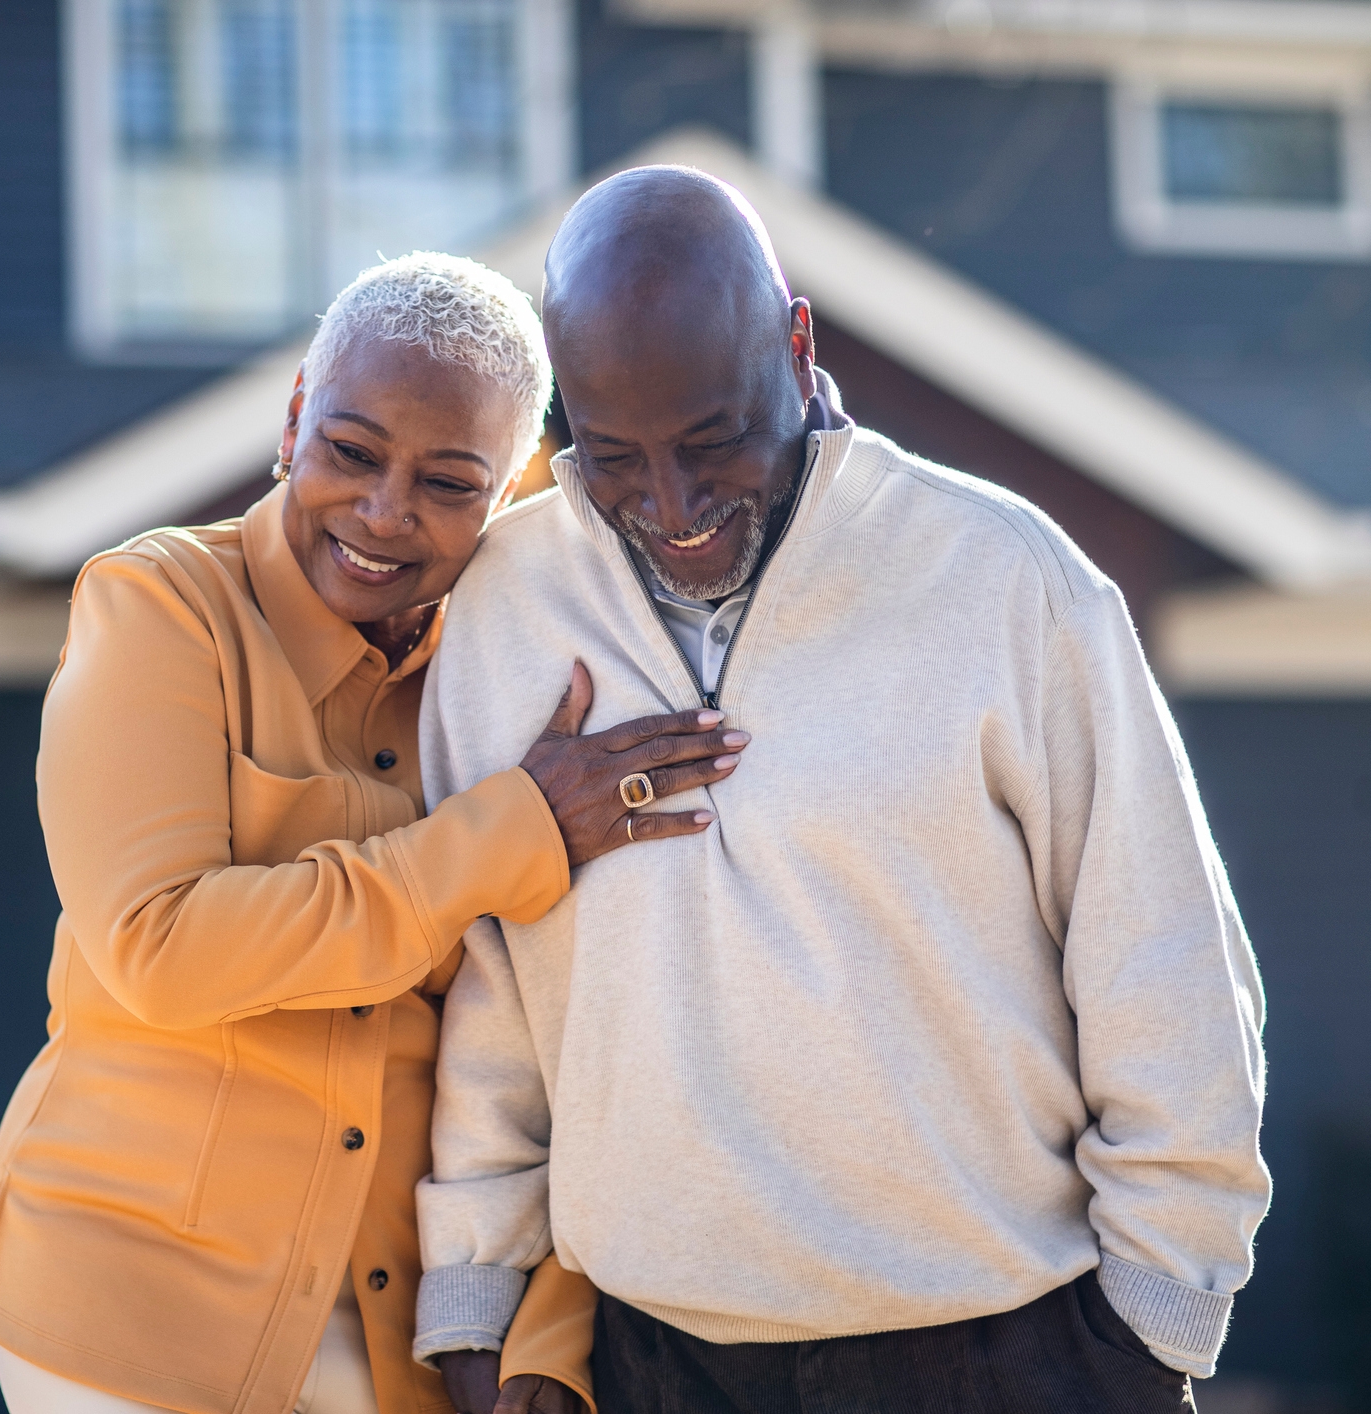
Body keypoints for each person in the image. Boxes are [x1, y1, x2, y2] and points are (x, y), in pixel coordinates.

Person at [411, 169, 1269, 1413]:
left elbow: (1167, 960)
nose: (673, 506)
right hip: (652, 1363)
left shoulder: (1008, 579)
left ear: (798, 345)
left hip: (1006, 1356)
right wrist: (479, 1305)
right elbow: (496, 983)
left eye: (712, 443)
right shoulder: (502, 608)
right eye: (613, 459)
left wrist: (1152, 1322)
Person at [0, 252, 753, 1414]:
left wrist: (545, 1334)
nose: (384, 513)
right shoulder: (161, 607)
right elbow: (161, 947)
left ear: (511, 489)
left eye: (447, 482)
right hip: (126, 1308)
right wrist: (508, 830)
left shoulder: (508, 682)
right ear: (293, 423)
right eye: (353, 452)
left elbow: (569, 1032)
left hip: (390, 1332)